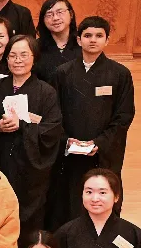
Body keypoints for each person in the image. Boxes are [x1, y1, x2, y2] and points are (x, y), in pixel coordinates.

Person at [48, 16, 135, 229]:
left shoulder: (120, 74)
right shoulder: (63, 73)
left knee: (103, 195)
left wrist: (100, 143)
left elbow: (124, 115)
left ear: (107, 40)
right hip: (70, 152)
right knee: (69, 199)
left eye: (99, 36)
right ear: (78, 40)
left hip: (103, 152)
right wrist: (66, 140)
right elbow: (53, 113)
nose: (93, 40)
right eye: (87, 35)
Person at [0, 35, 63, 238]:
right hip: (0, 160)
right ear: (6, 59)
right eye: (13, 55)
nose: (18, 60)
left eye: (24, 55)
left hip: (31, 166)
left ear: (34, 58)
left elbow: (52, 129)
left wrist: (22, 126)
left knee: (29, 216)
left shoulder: (46, 92)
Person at [35, 0, 79, 83]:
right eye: (49, 14)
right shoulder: (35, 47)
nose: (55, 18)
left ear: (71, 14)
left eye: (60, 12)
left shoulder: (83, 43)